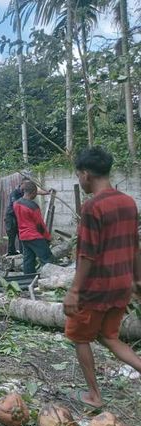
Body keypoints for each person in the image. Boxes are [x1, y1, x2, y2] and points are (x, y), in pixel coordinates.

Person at [63, 146, 141, 408]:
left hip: (96, 287)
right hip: (122, 284)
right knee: (109, 336)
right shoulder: (128, 203)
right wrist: (138, 280)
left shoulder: (92, 207)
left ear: (85, 174)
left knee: (80, 336)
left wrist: (74, 291)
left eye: (78, 175)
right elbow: (135, 245)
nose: (79, 180)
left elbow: (87, 255)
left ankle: (94, 396)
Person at [13, 181, 54, 274]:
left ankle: (27, 281)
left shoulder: (16, 203)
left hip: (23, 236)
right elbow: (40, 225)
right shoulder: (33, 206)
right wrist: (48, 237)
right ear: (33, 193)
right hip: (34, 236)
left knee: (28, 261)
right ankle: (51, 278)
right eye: (36, 193)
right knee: (47, 259)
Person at [5, 178, 52, 255]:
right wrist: (47, 237)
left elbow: (35, 191)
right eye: (26, 184)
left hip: (20, 221)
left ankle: (22, 252)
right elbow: (40, 224)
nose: (28, 186)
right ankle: (11, 252)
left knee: (21, 237)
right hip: (11, 217)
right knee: (11, 235)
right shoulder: (15, 195)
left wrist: (46, 192)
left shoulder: (26, 194)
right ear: (22, 184)